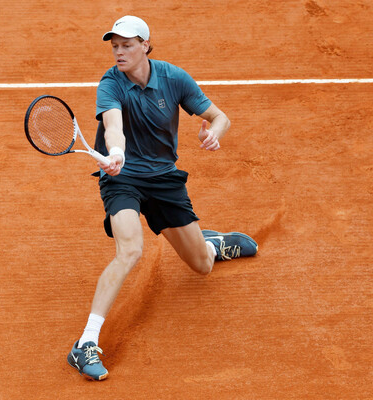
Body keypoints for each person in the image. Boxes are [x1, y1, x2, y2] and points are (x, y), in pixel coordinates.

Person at [67, 15, 258, 381]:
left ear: (145, 46)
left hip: (164, 179)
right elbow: (113, 126)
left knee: (202, 266)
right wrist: (117, 153)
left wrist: (214, 134)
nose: (119, 52)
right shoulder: (111, 83)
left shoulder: (174, 78)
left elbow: (219, 117)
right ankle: (86, 342)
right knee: (130, 250)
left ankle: (210, 245)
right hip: (122, 178)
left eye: (127, 45)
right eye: (115, 46)